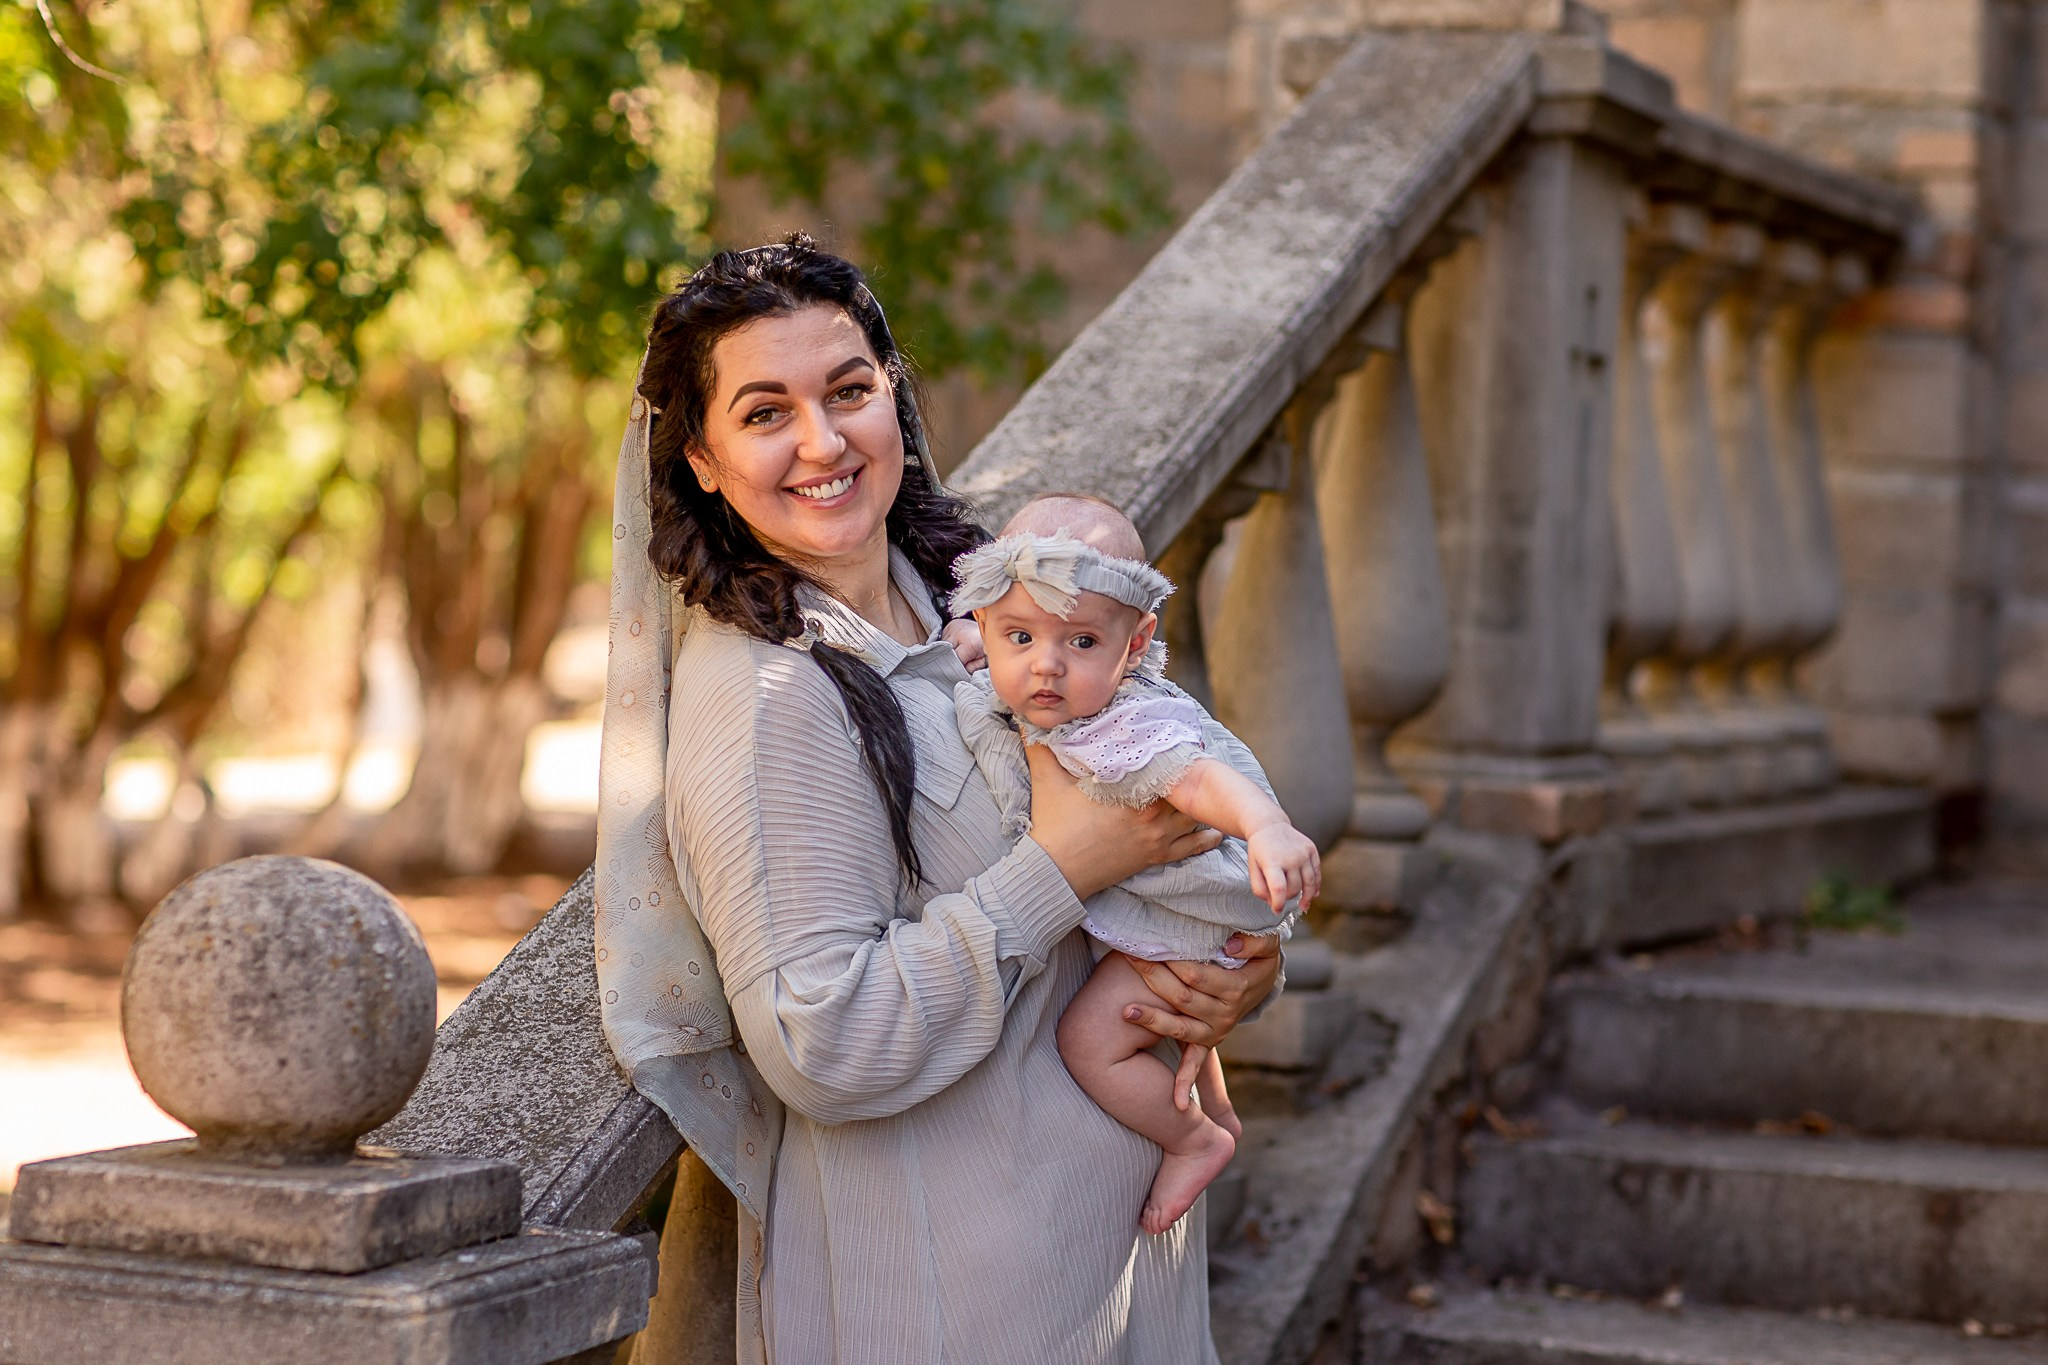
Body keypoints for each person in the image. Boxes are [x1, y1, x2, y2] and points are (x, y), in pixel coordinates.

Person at [590, 234, 1283, 1365]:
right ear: (703, 461)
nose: (823, 442)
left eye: (847, 391)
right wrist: (1062, 868)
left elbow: (1163, 767)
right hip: (960, 1296)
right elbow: (822, 1041)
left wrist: (1234, 964)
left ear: (892, 397)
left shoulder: (983, 600)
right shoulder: (770, 699)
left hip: (1115, 1261)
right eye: (765, 413)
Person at [944, 495, 1320, 1238]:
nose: (1046, 664)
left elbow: (1200, 780)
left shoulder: (1124, 725)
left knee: (1090, 1041)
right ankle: (1217, 1109)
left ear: (1137, 643)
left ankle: (1194, 1139)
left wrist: (1267, 826)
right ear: (983, 624)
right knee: (1169, 1020)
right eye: (1019, 635)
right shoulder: (1032, 671)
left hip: (1190, 918)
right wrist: (972, 638)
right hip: (1168, 919)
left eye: (1083, 641)